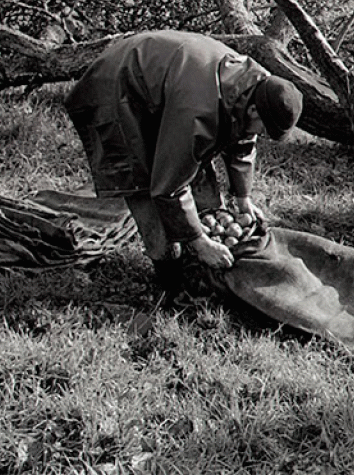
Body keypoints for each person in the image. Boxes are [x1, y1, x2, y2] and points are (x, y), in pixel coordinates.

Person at [65, 30, 304, 298]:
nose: (262, 134)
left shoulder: (258, 85)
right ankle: (170, 285)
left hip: (161, 85)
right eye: (264, 126)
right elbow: (169, 185)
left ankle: (196, 262)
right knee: (142, 184)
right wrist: (200, 241)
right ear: (253, 110)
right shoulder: (198, 110)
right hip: (114, 86)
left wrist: (243, 197)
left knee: (191, 170)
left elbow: (243, 139)